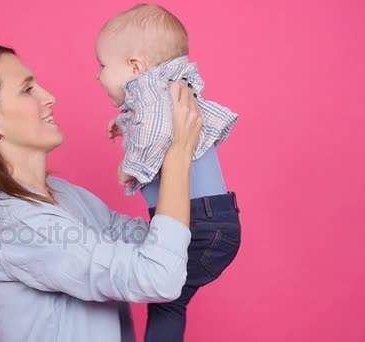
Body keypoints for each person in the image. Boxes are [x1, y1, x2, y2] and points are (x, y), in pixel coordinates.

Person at [0, 45, 202, 342]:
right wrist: (178, 153)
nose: (49, 97)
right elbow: (160, 277)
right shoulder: (15, 223)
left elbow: (155, 245)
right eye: (28, 89)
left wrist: (151, 140)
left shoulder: (64, 195)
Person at [96, 4, 241, 341]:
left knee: (167, 298)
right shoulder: (160, 92)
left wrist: (128, 167)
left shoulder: (157, 95)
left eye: (102, 66)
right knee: (165, 298)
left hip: (203, 226)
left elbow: (158, 135)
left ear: (135, 66)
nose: (97, 75)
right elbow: (152, 124)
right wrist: (123, 123)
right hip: (206, 221)